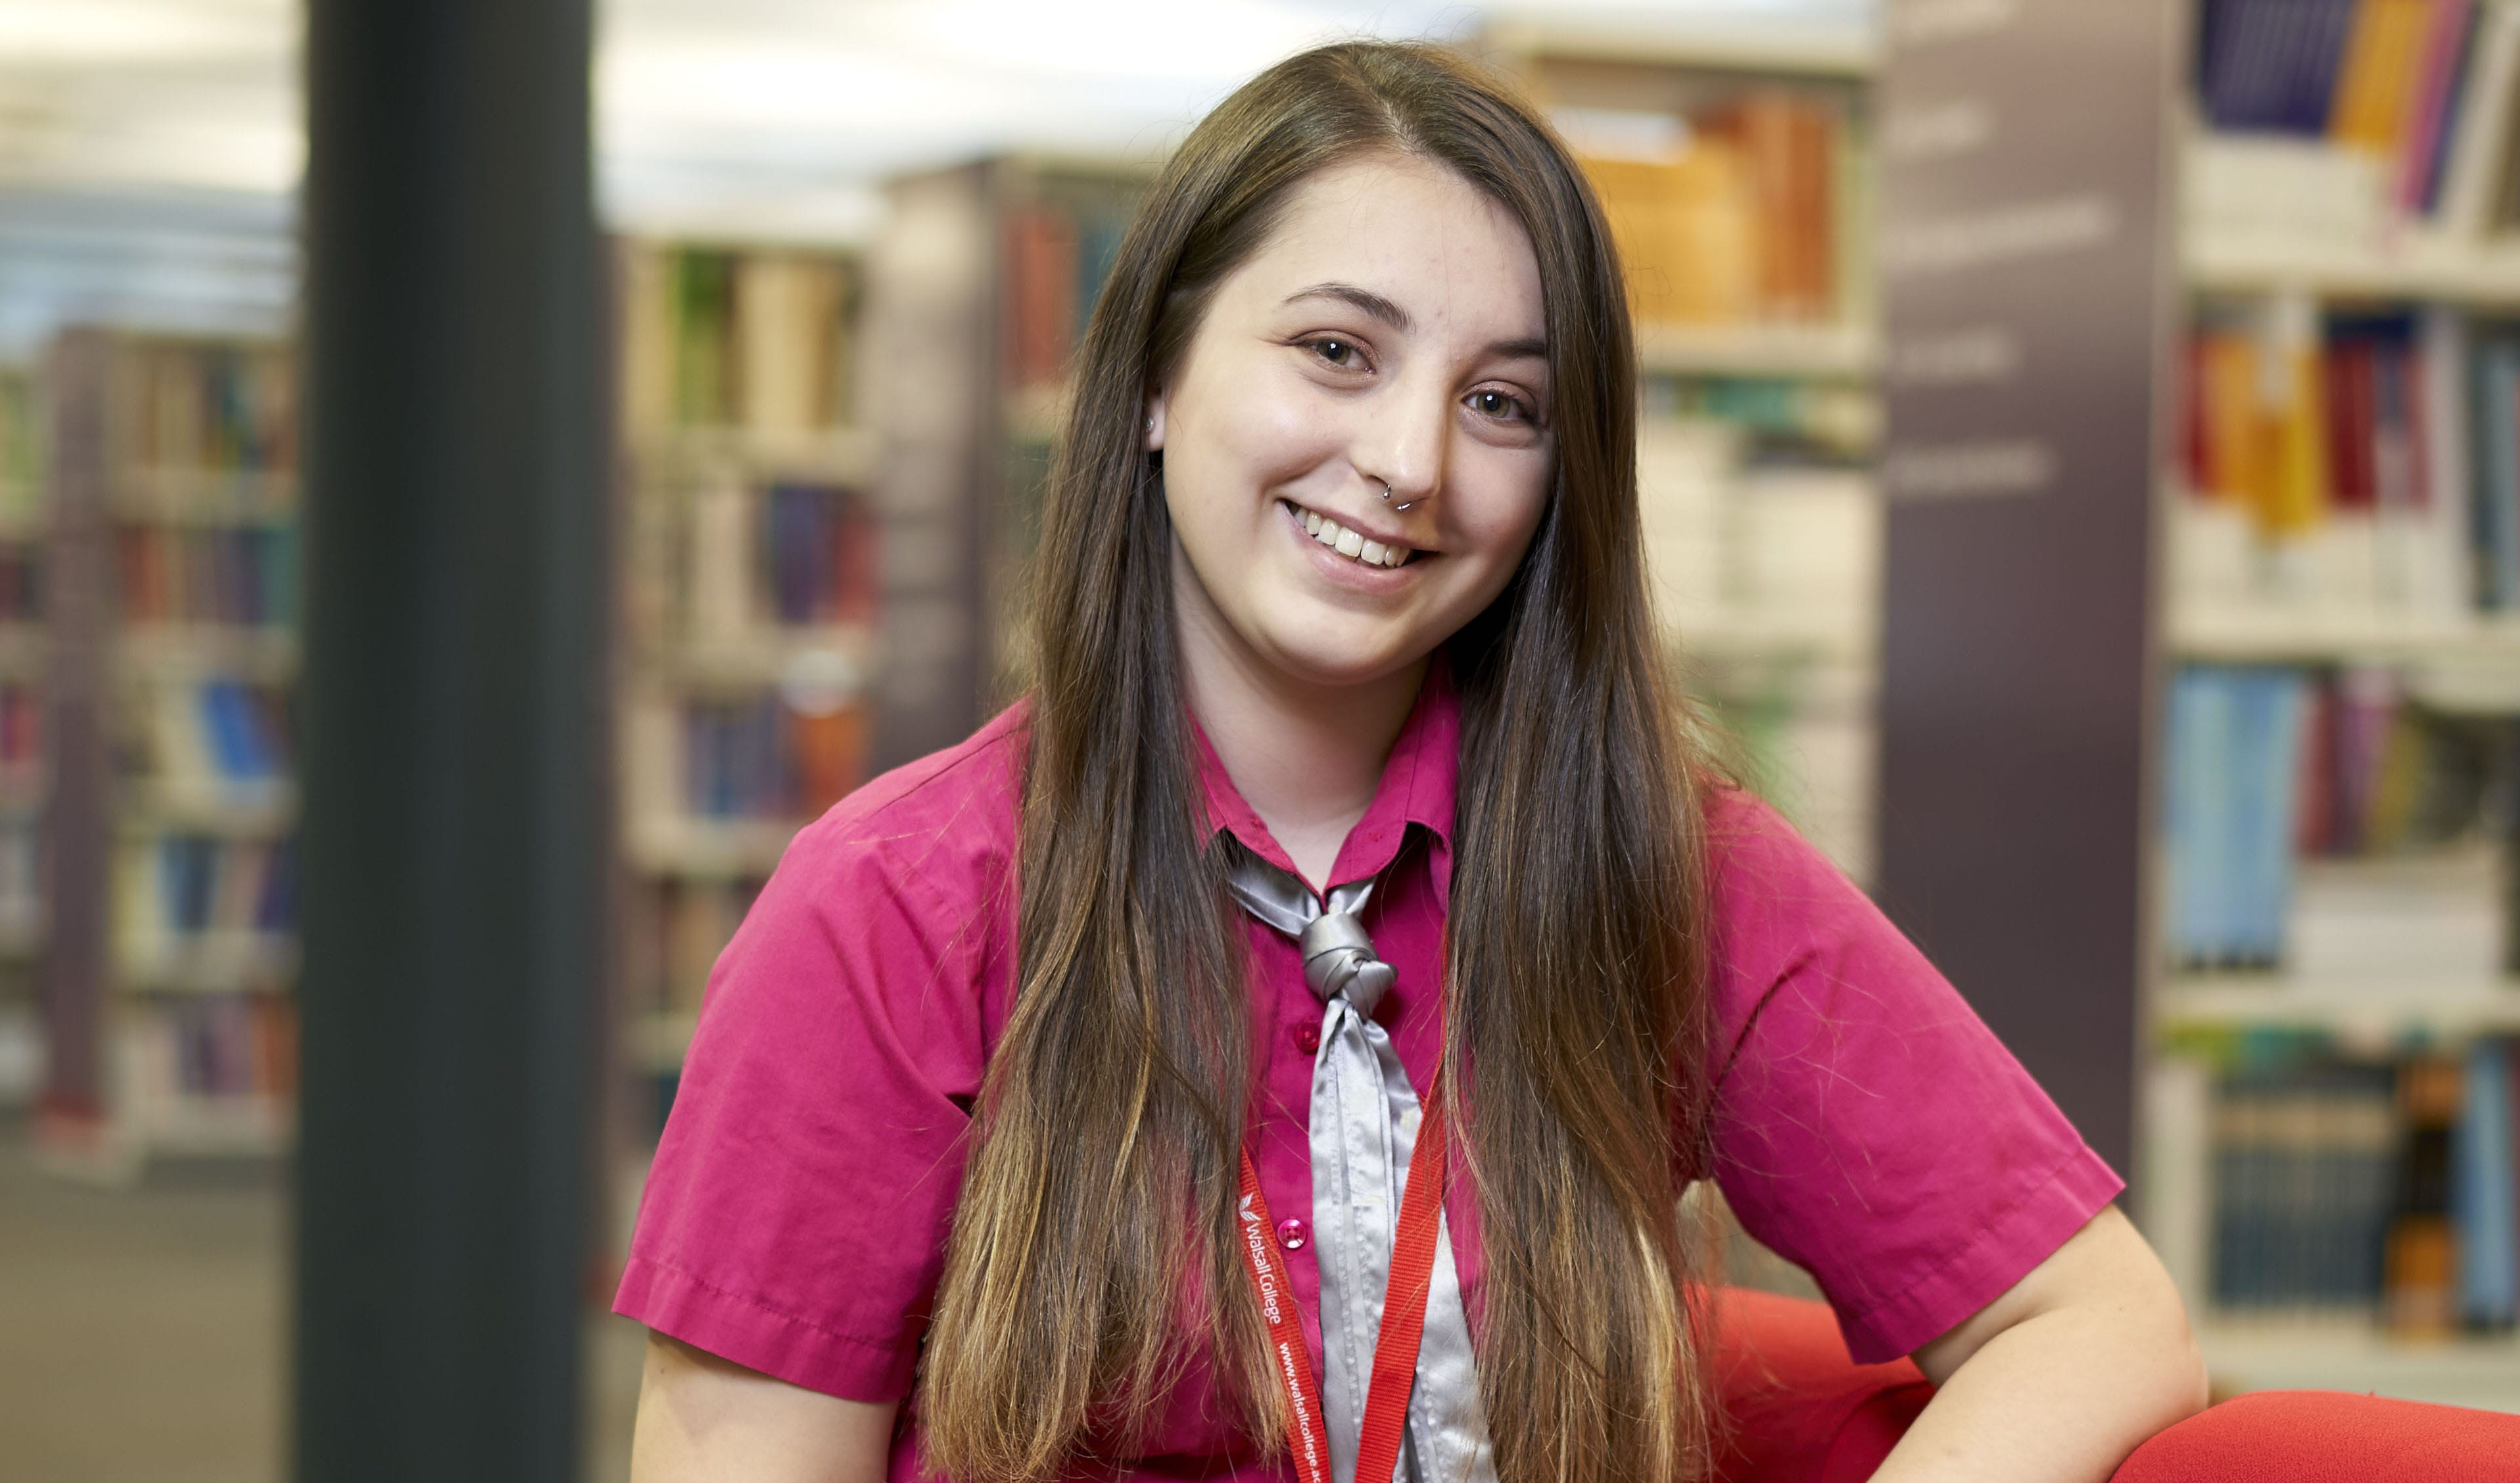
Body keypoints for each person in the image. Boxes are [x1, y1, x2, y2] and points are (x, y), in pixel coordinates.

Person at [621, 39, 2204, 1483]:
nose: (1409, 462)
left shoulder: (1657, 863)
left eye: (1504, 402)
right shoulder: (892, 912)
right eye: (1334, 351)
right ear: (1159, 378)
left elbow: (2098, 1321)